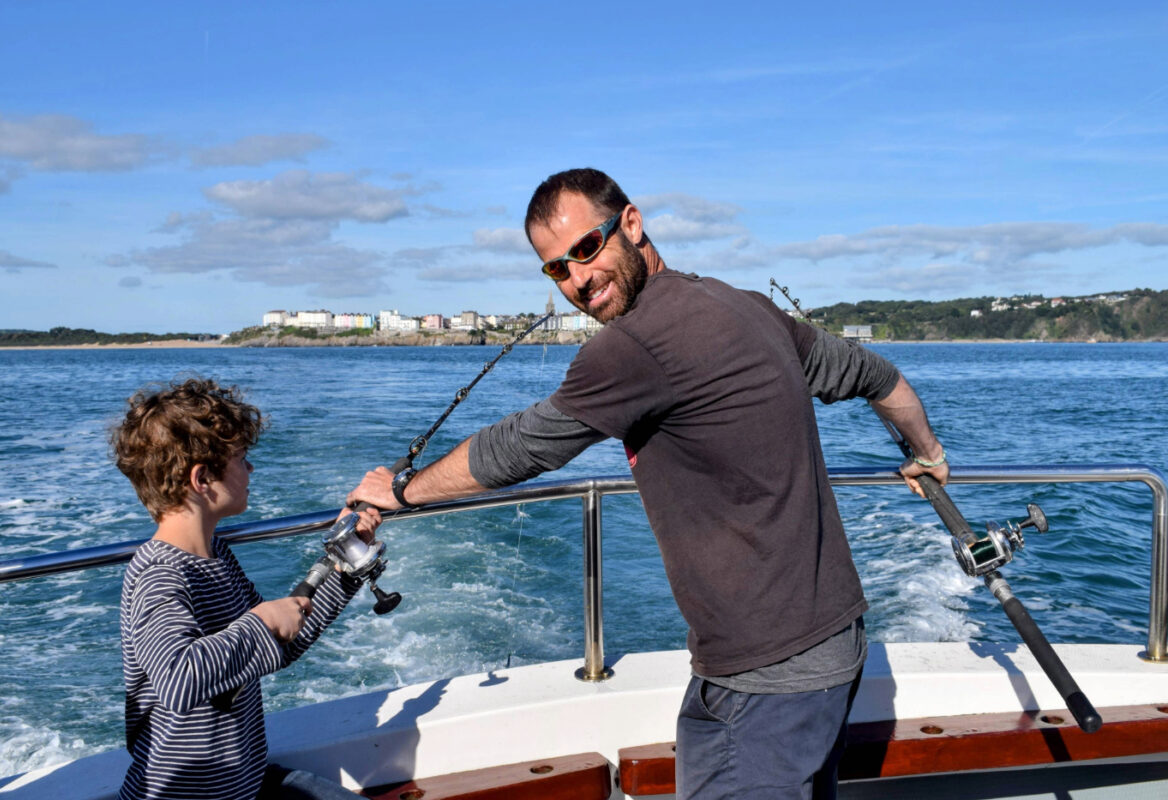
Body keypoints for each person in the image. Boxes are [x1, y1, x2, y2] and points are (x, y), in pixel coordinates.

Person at [347, 168, 950, 799]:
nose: (577, 279)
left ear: (631, 224)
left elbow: (521, 447)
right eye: (557, 269)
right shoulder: (746, 304)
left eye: (587, 248)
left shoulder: (633, 345)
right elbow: (877, 375)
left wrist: (403, 490)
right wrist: (929, 453)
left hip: (766, 672)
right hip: (833, 640)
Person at [111, 377, 379, 800]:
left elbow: (282, 642)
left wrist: (346, 567)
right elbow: (178, 680)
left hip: (244, 784)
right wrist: (261, 622)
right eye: (241, 458)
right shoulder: (159, 575)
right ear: (202, 479)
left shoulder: (216, 554)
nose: (250, 468)